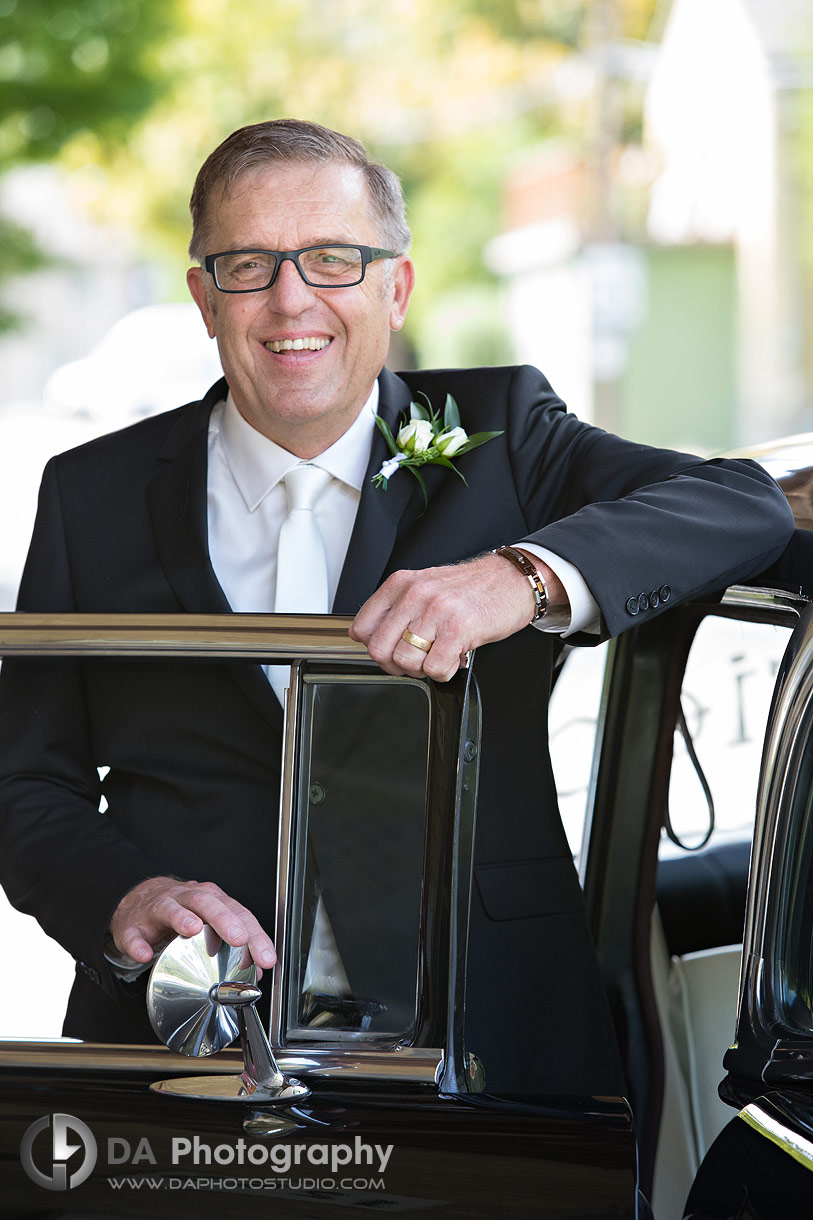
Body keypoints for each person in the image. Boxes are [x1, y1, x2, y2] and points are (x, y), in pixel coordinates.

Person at [0, 119, 794, 1097]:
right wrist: (123, 897)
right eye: (248, 265)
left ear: (397, 286)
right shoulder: (91, 492)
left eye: (333, 259)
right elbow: (25, 784)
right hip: (177, 1049)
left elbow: (738, 503)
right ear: (204, 296)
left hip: (490, 1035)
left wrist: (523, 574)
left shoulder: (507, 438)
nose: (292, 298)